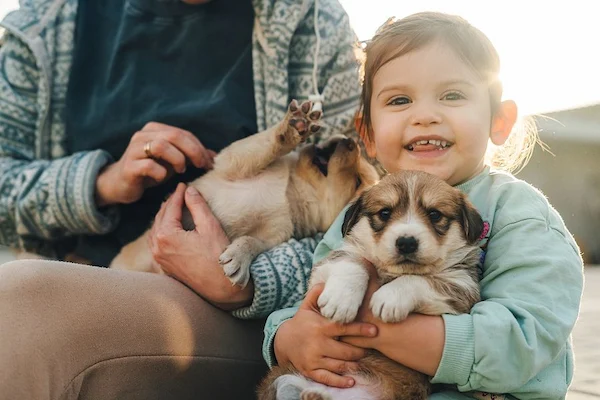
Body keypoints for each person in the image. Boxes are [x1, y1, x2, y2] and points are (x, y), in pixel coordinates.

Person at [0, 0, 366, 398]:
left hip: (235, 319)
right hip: (90, 271)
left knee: (25, 305)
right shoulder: (42, 24)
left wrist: (251, 283)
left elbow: (365, 215)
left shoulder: (313, 24)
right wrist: (101, 182)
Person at [264, 12, 584, 400]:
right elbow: (308, 299)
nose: (425, 116)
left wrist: (380, 321)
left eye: (452, 95)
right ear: (368, 134)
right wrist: (286, 337)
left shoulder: (522, 213)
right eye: (400, 100)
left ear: (499, 121)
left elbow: (524, 340)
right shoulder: (362, 210)